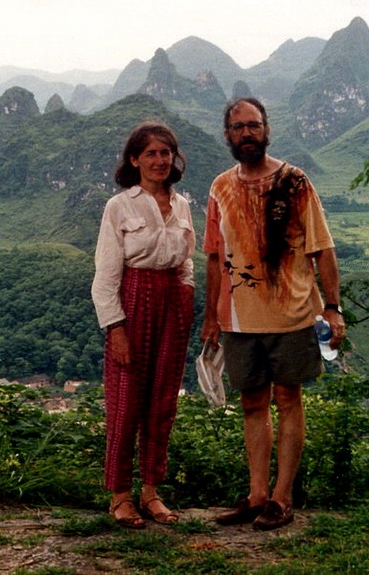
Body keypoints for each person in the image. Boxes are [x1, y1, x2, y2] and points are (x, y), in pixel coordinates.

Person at [201, 97, 346, 531]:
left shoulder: (295, 181)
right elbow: (213, 257)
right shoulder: (219, 188)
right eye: (239, 127)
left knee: (288, 399)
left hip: (293, 314)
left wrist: (333, 308)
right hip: (239, 319)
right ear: (227, 135)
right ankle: (257, 495)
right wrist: (212, 316)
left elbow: (323, 249)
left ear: (267, 129)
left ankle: (282, 498)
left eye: (254, 125)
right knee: (251, 403)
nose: (247, 133)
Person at [91, 121, 196, 528]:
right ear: (134, 160)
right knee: (125, 401)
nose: (159, 160)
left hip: (174, 303)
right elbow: (105, 273)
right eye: (150, 153)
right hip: (133, 302)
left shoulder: (183, 206)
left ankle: (151, 492)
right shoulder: (120, 207)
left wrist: (186, 297)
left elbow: (186, 260)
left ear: (174, 158)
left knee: (162, 402)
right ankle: (120, 496)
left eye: (165, 153)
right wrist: (115, 327)